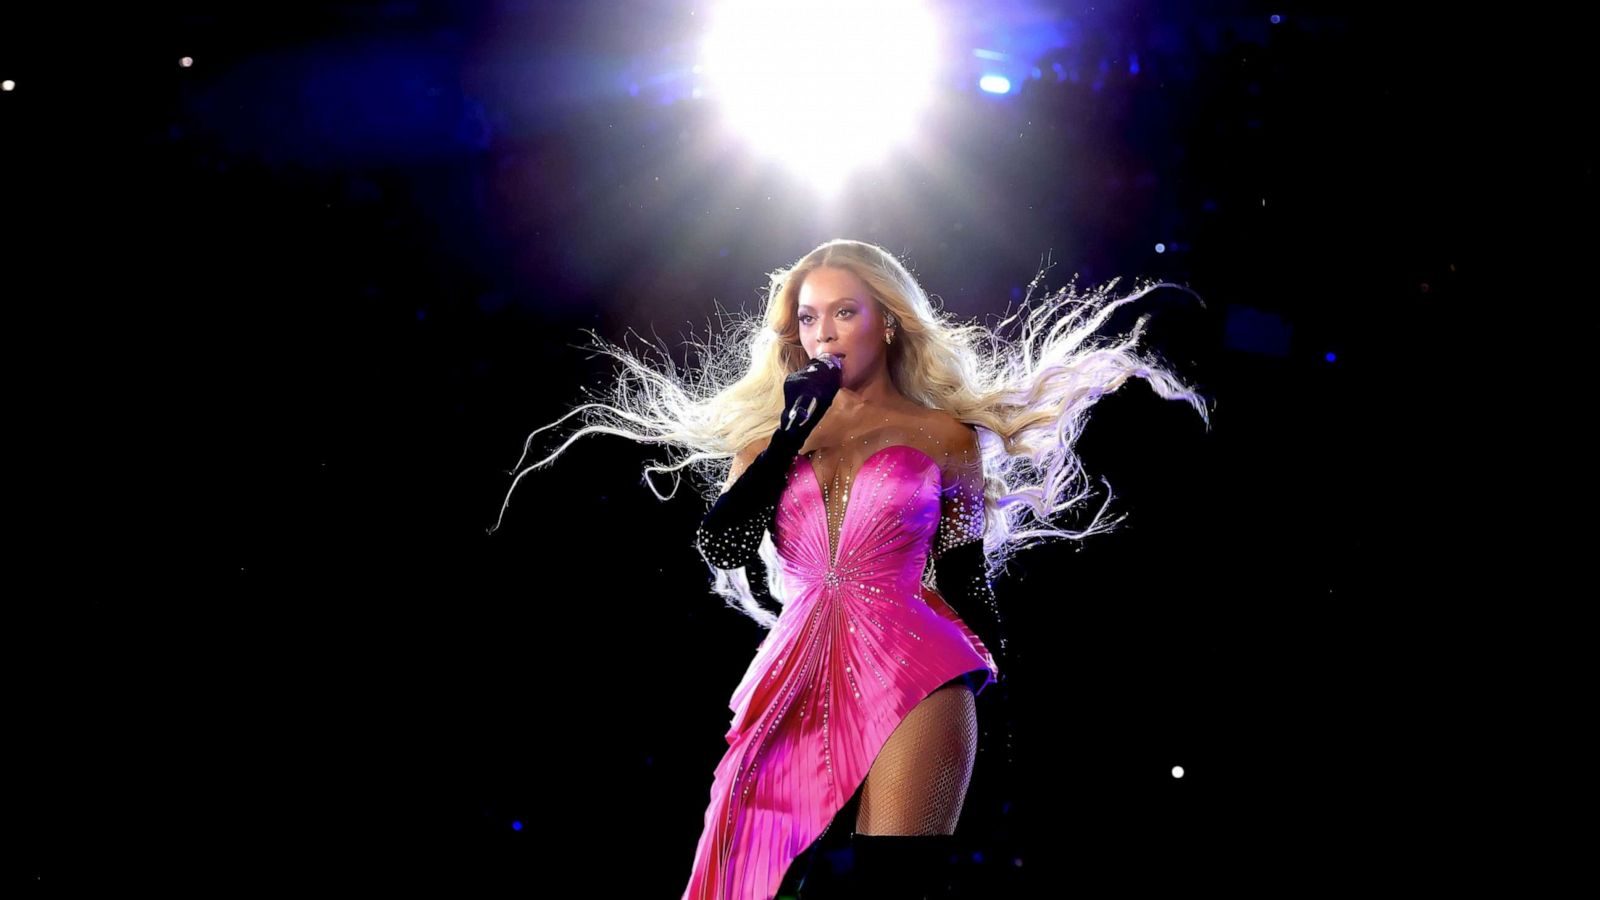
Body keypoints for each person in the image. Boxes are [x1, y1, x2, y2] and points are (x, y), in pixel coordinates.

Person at [488, 239, 1212, 899]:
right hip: (793, 669)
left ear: (887, 322)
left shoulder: (945, 438)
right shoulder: (769, 442)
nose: (824, 332)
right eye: (808, 319)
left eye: (844, 312)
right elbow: (724, 548)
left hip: (916, 662)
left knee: (891, 891)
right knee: (735, 881)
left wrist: (1007, 697)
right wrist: (788, 437)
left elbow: (963, 573)